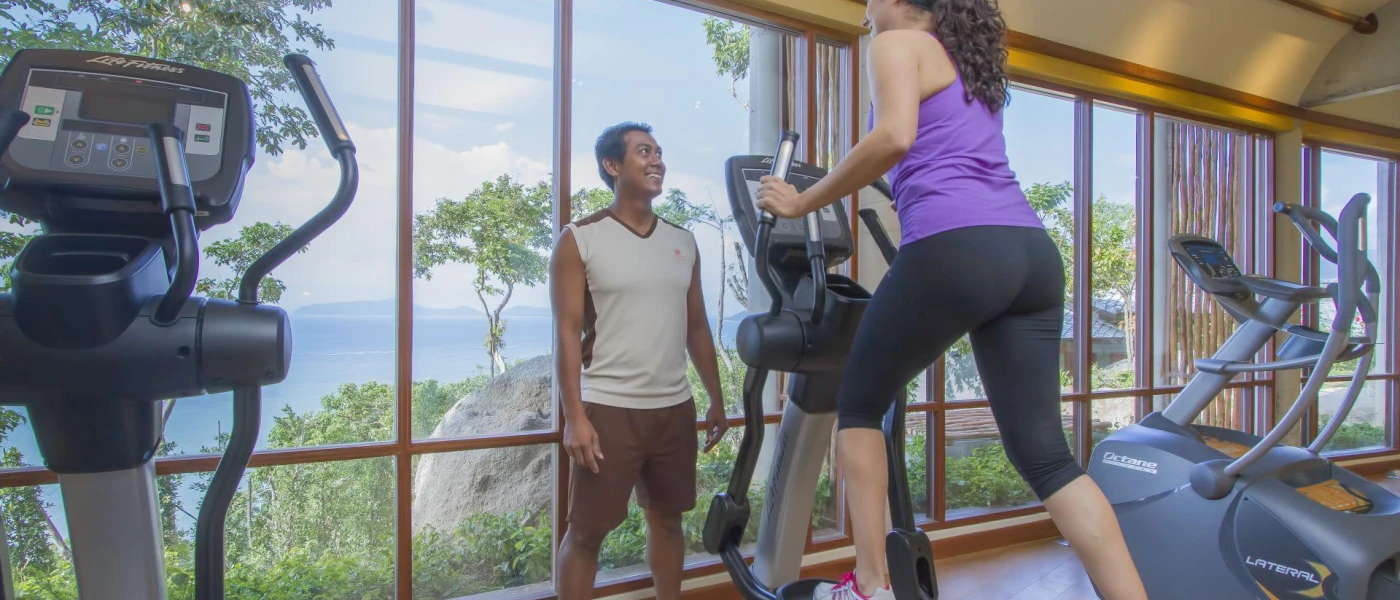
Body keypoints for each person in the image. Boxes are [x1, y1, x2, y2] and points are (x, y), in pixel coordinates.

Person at [754, 1, 1151, 599]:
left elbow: (894, 136)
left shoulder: (894, 45)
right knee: (1048, 460)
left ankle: (868, 589)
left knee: (859, 406)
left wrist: (801, 202)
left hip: (954, 246)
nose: (865, 8)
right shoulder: (968, 68)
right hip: (1031, 256)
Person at [551, 122, 731, 600]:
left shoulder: (683, 242)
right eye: (643, 152)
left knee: (668, 521)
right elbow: (567, 333)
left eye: (658, 152)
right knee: (586, 533)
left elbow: (696, 327)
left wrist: (715, 397)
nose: (657, 161)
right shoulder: (579, 239)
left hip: (674, 408)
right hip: (608, 410)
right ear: (613, 166)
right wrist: (574, 419)